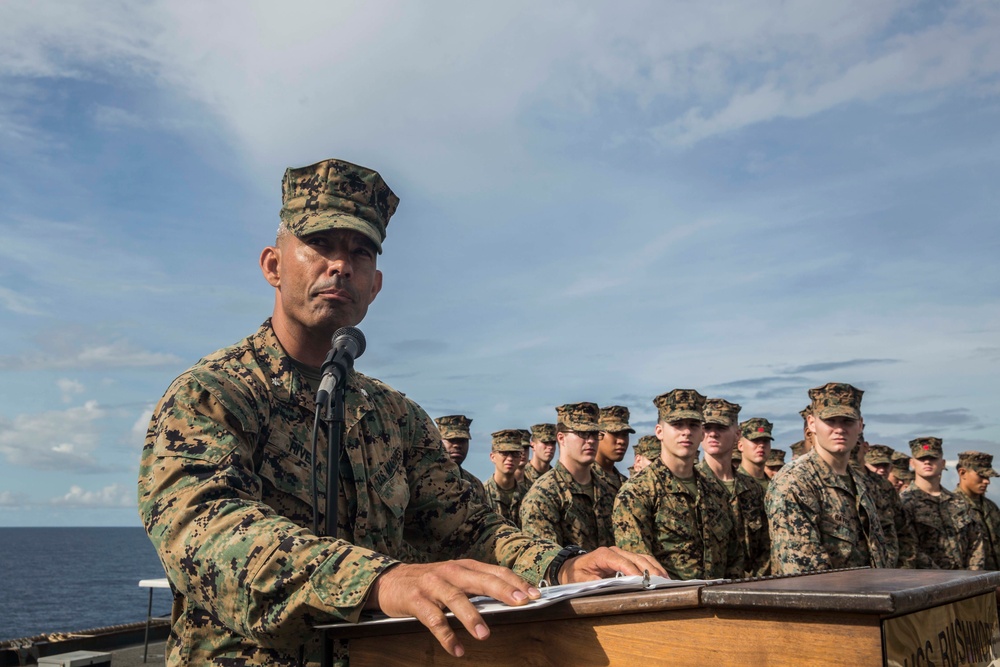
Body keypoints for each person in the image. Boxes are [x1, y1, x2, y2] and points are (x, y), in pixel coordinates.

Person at [138, 158, 662, 666]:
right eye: (319, 244)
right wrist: (379, 580)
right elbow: (205, 534)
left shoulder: (394, 416)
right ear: (273, 265)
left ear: (375, 285)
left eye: (360, 252)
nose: (339, 264)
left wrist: (562, 566)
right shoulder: (213, 394)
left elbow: (470, 530)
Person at [614, 389, 744, 580]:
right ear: (659, 432)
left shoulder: (715, 491)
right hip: (670, 605)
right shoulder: (637, 493)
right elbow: (639, 571)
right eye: (677, 424)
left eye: (693, 425)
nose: (686, 432)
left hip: (717, 603)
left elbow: (734, 560)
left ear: (702, 433)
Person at [766, 383, 890, 575]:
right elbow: (803, 571)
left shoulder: (861, 482)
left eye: (847, 421)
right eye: (830, 421)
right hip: (822, 601)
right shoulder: (794, 482)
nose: (839, 429)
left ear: (860, 425)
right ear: (812, 424)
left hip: (870, 597)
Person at [519, 402, 616, 551]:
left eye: (595, 434)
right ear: (561, 438)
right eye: (582, 433)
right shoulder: (542, 496)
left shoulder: (608, 491)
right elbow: (546, 564)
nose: (590, 440)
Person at [696, 398, 770, 577]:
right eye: (707, 428)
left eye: (721, 428)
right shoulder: (692, 485)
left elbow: (766, 549)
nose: (713, 434)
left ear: (737, 435)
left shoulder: (753, 489)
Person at [901, 437, 986, 570]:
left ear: (943, 463)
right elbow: (909, 548)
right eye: (921, 459)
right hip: (926, 582)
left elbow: (975, 543)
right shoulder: (904, 503)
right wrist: (941, 578)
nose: (927, 462)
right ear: (912, 463)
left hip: (964, 581)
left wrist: (972, 576)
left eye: (933, 458)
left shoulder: (959, 502)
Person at [954, 451, 1000, 570]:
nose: (987, 481)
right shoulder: (952, 508)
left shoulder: (991, 507)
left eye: (988, 477)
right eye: (981, 476)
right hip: (970, 583)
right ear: (962, 473)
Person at [435, 414, 488, 504]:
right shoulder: (426, 478)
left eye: (462, 441)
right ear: (438, 442)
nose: (457, 445)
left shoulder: (475, 484)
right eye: (451, 440)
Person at [484, 429, 530, 527]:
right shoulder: (481, 495)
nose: (510, 458)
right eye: (504, 453)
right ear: (492, 457)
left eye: (515, 453)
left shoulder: (528, 496)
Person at [594, 405, 634, 492]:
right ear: (598, 435)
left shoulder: (627, 484)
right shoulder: (584, 478)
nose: (621, 441)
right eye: (615, 434)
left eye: (625, 435)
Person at [738, 417, 773, 491]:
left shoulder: (776, 486)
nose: (761, 445)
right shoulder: (733, 482)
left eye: (766, 441)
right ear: (740, 446)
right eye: (755, 440)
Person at [523, 423, 556, 488]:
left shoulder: (557, 477)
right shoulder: (521, 475)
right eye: (545, 442)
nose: (550, 447)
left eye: (553, 443)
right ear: (533, 445)